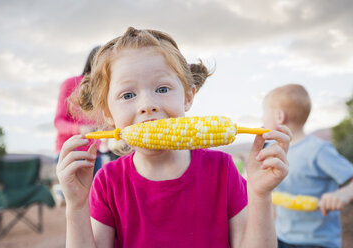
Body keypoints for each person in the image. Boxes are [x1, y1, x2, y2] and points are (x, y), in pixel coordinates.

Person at [56, 27, 291, 248]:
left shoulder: (223, 170)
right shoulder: (108, 183)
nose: (147, 105)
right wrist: (76, 207)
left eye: (162, 89)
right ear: (108, 114)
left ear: (188, 97)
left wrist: (260, 196)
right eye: (128, 95)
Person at [262, 84, 353, 248]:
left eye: (264, 114)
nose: (262, 119)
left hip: (318, 242)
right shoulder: (271, 149)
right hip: (282, 237)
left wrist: (344, 194)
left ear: (279, 116)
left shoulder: (318, 150)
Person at [54, 46, 102, 175]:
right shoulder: (70, 83)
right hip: (71, 151)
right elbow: (58, 122)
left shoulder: (105, 90)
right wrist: (80, 129)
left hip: (95, 154)